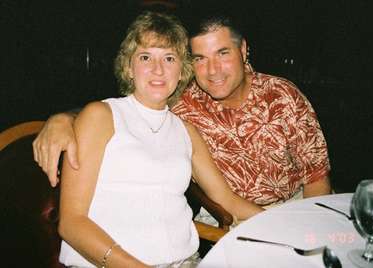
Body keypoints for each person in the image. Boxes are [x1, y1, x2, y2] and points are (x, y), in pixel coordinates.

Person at [33, 12, 331, 221]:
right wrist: (62, 118)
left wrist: (301, 227)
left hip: (291, 208)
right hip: (223, 219)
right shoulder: (183, 100)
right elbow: (125, 108)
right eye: (200, 58)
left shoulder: (283, 96)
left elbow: (317, 178)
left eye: (223, 53)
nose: (213, 71)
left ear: (243, 50)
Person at [55, 11, 262, 268]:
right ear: (129, 68)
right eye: (145, 57)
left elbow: (228, 201)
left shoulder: (186, 131)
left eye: (169, 58)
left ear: (182, 70)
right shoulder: (101, 116)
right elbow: (72, 223)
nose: (158, 69)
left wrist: (287, 218)